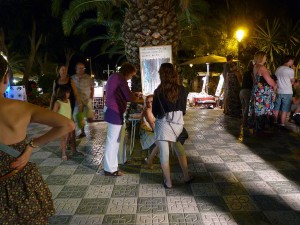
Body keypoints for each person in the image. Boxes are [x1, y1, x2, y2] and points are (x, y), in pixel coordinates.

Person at [0, 55, 75, 224]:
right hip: (20, 184)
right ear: (6, 78)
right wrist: (32, 145)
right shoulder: (22, 108)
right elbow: (68, 125)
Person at [152, 63, 193, 188]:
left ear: (161, 75)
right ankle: (186, 176)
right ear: (174, 74)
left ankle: (168, 182)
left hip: (163, 125)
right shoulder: (182, 89)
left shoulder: (158, 91)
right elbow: (183, 110)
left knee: (164, 153)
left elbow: (155, 112)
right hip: (177, 125)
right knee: (179, 148)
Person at [103, 62, 142, 176]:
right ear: (127, 72)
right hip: (115, 111)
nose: (131, 77)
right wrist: (138, 97)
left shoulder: (114, 76)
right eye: (131, 75)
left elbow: (123, 94)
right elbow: (129, 97)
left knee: (114, 140)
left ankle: (112, 167)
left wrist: (132, 95)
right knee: (113, 141)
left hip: (111, 110)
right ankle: (110, 169)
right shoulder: (120, 78)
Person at [50, 64, 79, 152]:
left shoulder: (70, 80)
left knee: (72, 127)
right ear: (58, 71)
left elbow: (75, 93)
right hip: (60, 106)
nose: (64, 71)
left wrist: (79, 104)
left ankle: (73, 148)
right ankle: (65, 146)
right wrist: (51, 107)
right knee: (63, 127)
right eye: (62, 70)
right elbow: (53, 95)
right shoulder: (56, 81)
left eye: (65, 70)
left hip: (70, 105)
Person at [248, 51, 277, 135]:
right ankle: (260, 130)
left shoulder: (255, 67)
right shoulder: (262, 68)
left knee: (258, 110)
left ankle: (256, 128)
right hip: (263, 93)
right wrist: (275, 85)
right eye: (265, 57)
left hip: (257, 91)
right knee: (263, 110)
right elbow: (269, 81)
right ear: (261, 57)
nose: (266, 58)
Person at [72, 62, 94, 138]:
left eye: (83, 68)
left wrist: (91, 97)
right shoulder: (72, 78)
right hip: (78, 101)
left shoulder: (88, 77)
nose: (81, 70)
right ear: (76, 69)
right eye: (80, 68)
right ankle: (82, 132)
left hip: (87, 99)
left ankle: (92, 131)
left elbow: (92, 88)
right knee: (80, 116)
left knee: (89, 117)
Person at [273, 55, 295, 128]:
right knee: (285, 109)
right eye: (292, 61)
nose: (293, 62)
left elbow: (275, 80)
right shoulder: (290, 70)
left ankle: (275, 121)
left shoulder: (278, 69)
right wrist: (294, 70)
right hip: (287, 92)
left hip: (279, 91)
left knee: (276, 107)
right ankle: (282, 124)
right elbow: (292, 82)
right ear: (290, 61)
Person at [53, 86, 74, 160]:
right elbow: (53, 114)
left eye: (69, 92)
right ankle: (63, 154)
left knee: (68, 137)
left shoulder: (68, 101)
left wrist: (72, 120)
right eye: (67, 92)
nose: (69, 94)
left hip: (68, 123)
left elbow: (70, 112)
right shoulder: (58, 103)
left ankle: (65, 149)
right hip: (62, 124)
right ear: (63, 93)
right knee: (64, 138)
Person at [140, 95, 159, 169]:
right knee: (161, 141)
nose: (150, 104)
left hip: (152, 131)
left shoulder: (155, 109)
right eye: (147, 102)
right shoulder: (148, 111)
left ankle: (152, 157)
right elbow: (152, 124)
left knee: (164, 140)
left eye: (152, 102)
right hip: (147, 133)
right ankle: (150, 159)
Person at [239, 60, 254, 126]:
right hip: (248, 91)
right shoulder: (253, 73)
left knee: (243, 107)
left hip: (242, 91)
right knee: (247, 107)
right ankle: (245, 122)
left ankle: (244, 121)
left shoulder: (245, 73)